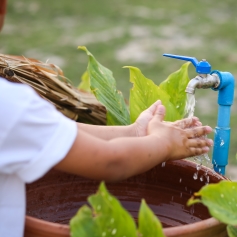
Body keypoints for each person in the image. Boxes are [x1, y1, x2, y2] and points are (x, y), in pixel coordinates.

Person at [0, 5, 213, 237]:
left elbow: (65, 133)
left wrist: (134, 133)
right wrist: (164, 144)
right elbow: (111, 161)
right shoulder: (10, 105)